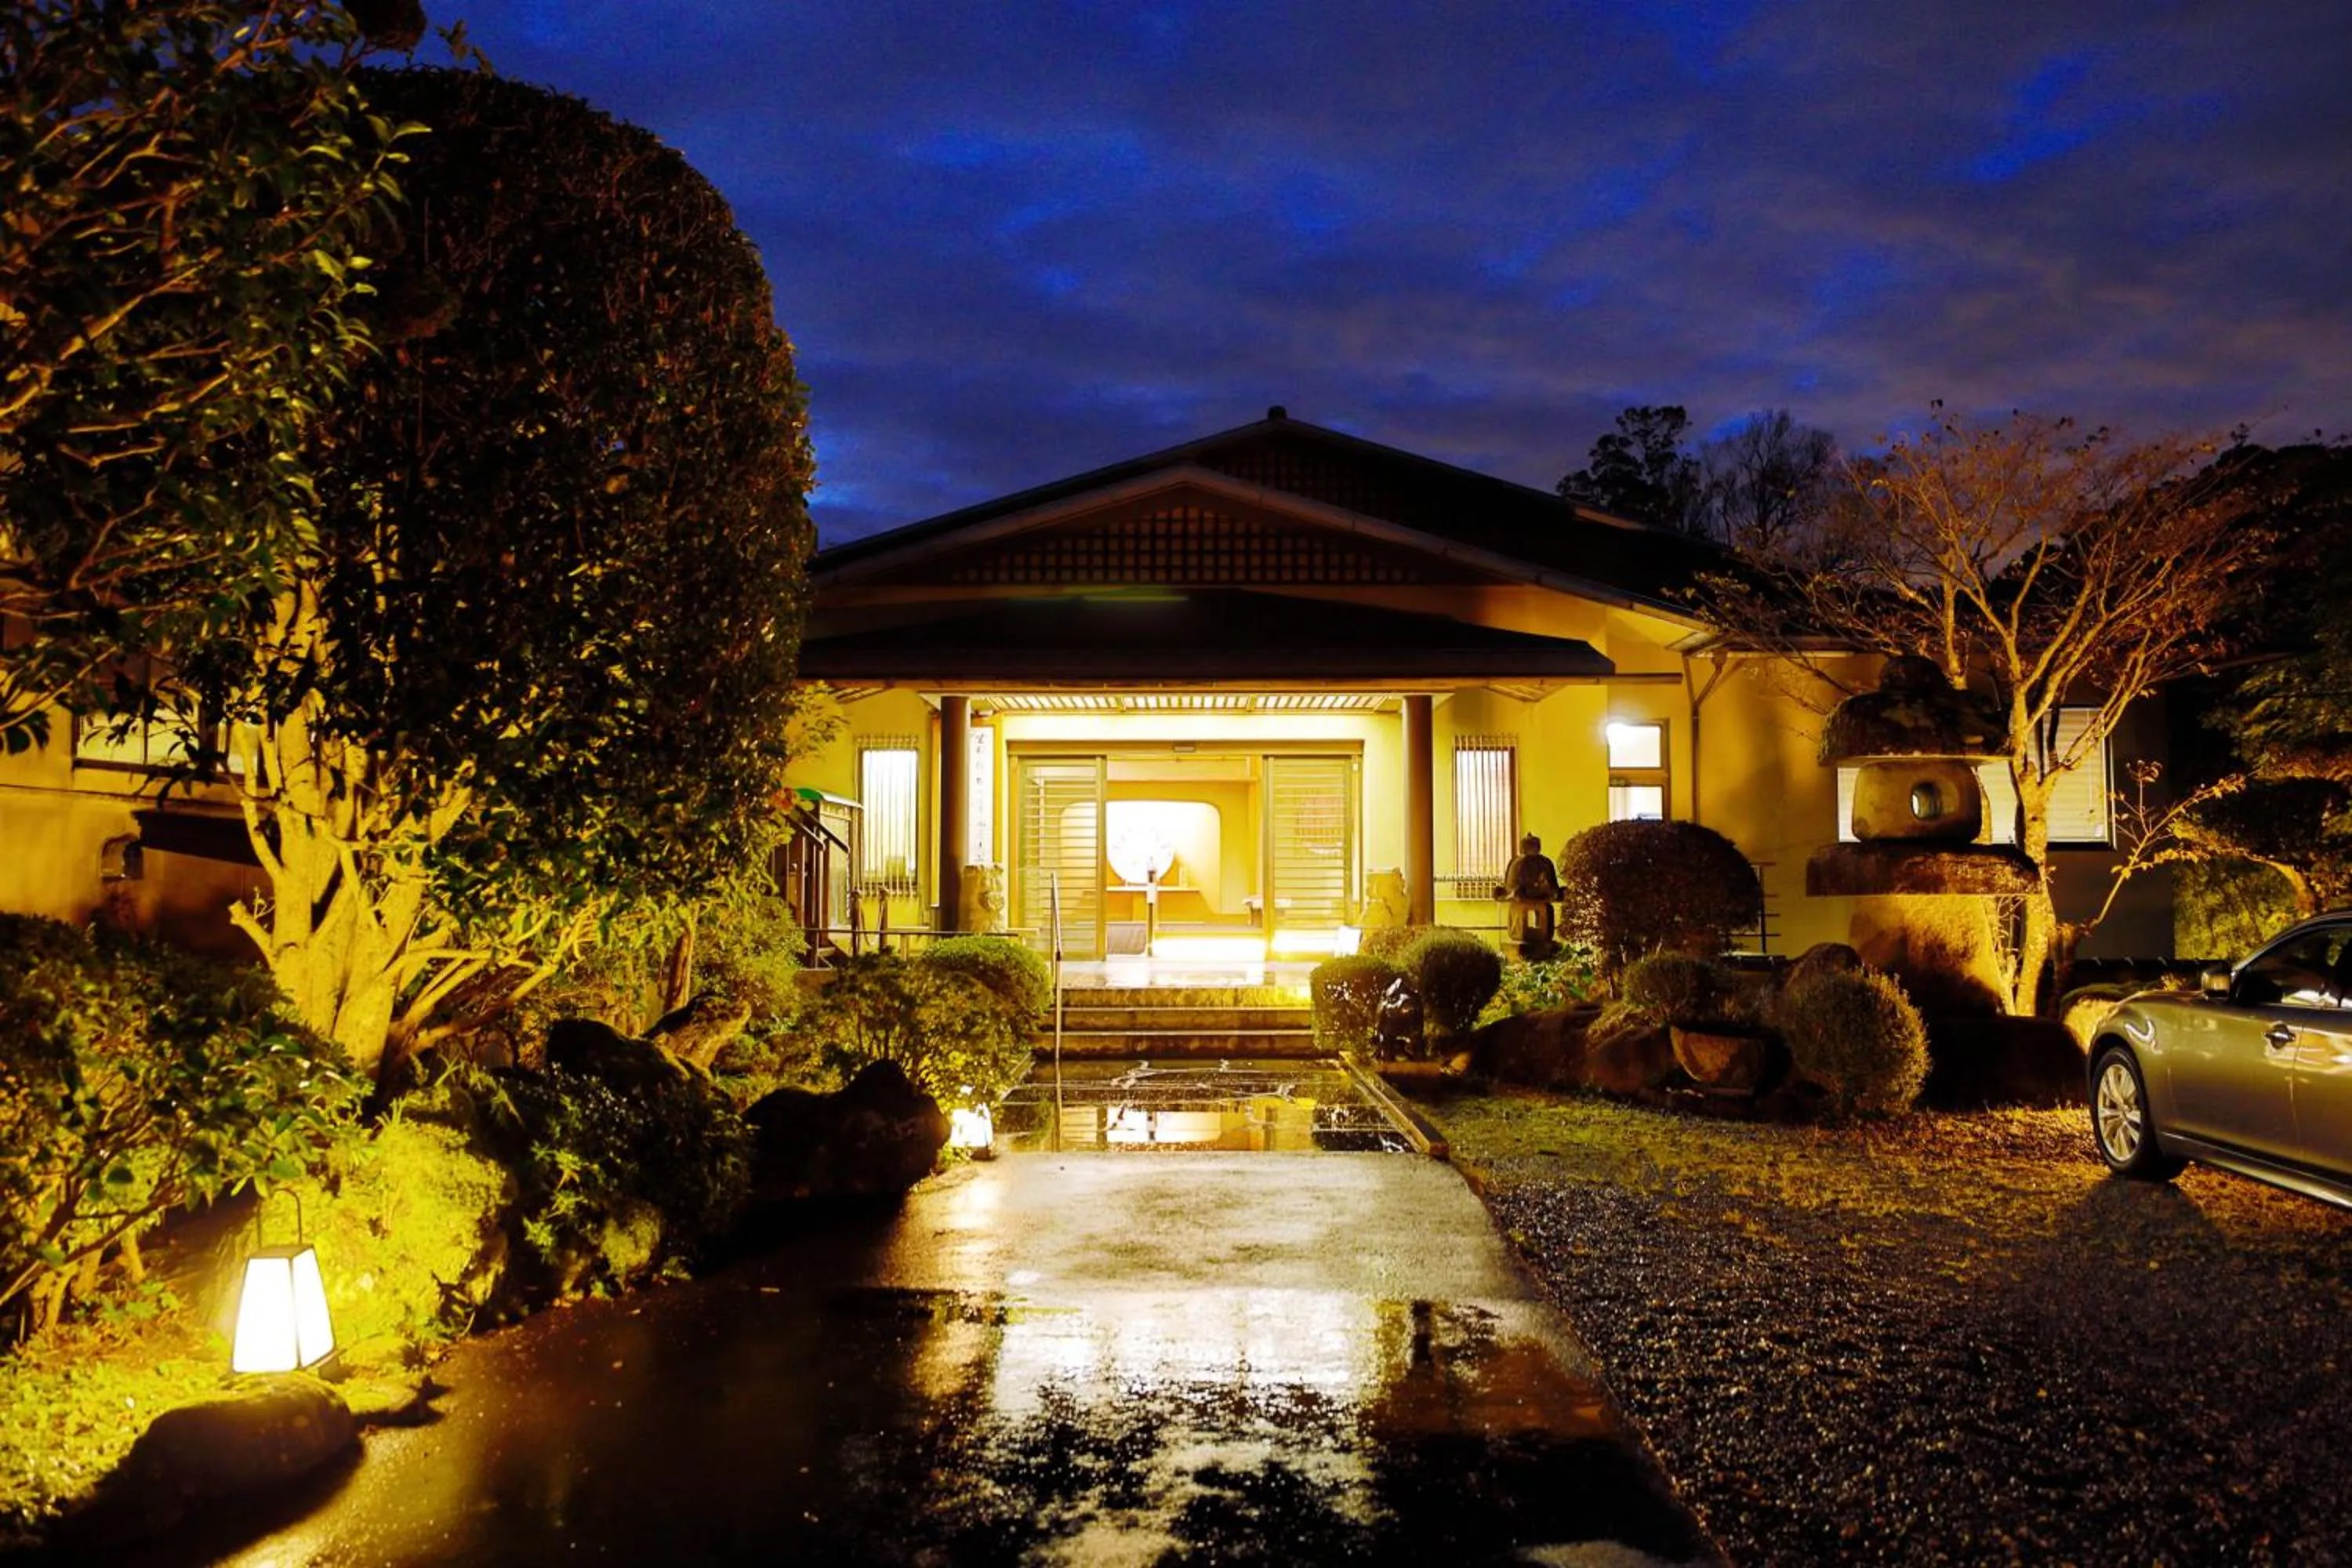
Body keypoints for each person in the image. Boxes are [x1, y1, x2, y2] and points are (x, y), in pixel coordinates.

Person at [1494, 833, 1562, 960]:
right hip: (1527, 905)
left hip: (1538, 933)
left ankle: (1530, 930)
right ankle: (1529, 929)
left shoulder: (1521, 863)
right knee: (1532, 909)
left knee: (1538, 909)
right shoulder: (1542, 863)